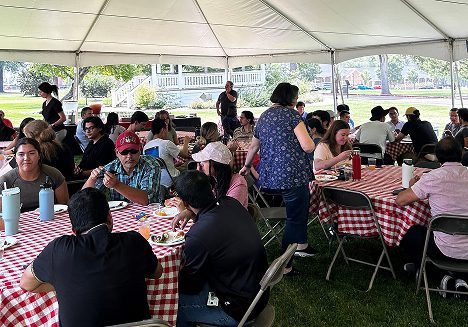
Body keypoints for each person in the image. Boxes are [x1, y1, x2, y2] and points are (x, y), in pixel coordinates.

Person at [20, 187, 162, 327]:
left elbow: (26, 283)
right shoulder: (134, 240)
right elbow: (157, 272)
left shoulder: (60, 249)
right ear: (110, 217)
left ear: (73, 230)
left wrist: (63, 283)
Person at [174, 170, 269, 327]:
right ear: (210, 188)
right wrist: (192, 212)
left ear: (184, 202)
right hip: (256, 296)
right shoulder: (230, 202)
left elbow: (191, 286)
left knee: (173, 304)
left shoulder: (198, 235)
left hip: (237, 311)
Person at [240, 82, 316, 275]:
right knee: (296, 219)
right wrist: (313, 143)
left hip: (268, 177)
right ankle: (285, 265)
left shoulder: (264, 116)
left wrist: (247, 166)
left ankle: (300, 248)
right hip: (292, 175)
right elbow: (307, 146)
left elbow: (253, 147)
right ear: (290, 98)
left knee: (295, 216)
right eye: (296, 97)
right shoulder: (292, 115)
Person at [396, 137, 468, 290]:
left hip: (444, 248)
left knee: (411, 234)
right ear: (461, 153)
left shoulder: (432, 177)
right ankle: (459, 277)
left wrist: (412, 186)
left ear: (437, 156)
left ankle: (434, 272)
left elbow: (400, 200)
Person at [170, 141, 249, 231]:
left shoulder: (238, 183)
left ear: (215, 164)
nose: (200, 164)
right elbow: (204, 207)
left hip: (234, 231)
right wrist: (190, 211)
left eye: (204, 160)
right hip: (217, 228)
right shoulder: (213, 180)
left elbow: (224, 218)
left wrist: (190, 211)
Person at [83, 130, 161, 205]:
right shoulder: (110, 168)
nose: (129, 156)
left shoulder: (150, 165)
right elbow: (83, 199)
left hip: (149, 214)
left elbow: (146, 200)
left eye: (133, 151)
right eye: (124, 152)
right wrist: (92, 179)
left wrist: (116, 184)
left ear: (140, 150)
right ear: (117, 153)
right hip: (120, 215)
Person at [0, 138, 69, 212]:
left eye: (31, 153)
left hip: (51, 219)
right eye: (21, 154)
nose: (26, 158)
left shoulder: (54, 174)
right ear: (15, 158)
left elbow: (64, 205)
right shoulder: (6, 181)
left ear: (39, 156)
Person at [143, 118, 190, 188]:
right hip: (171, 179)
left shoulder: (146, 147)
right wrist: (186, 142)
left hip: (154, 180)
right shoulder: (166, 143)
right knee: (189, 164)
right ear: (162, 130)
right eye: (167, 129)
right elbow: (185, 155)